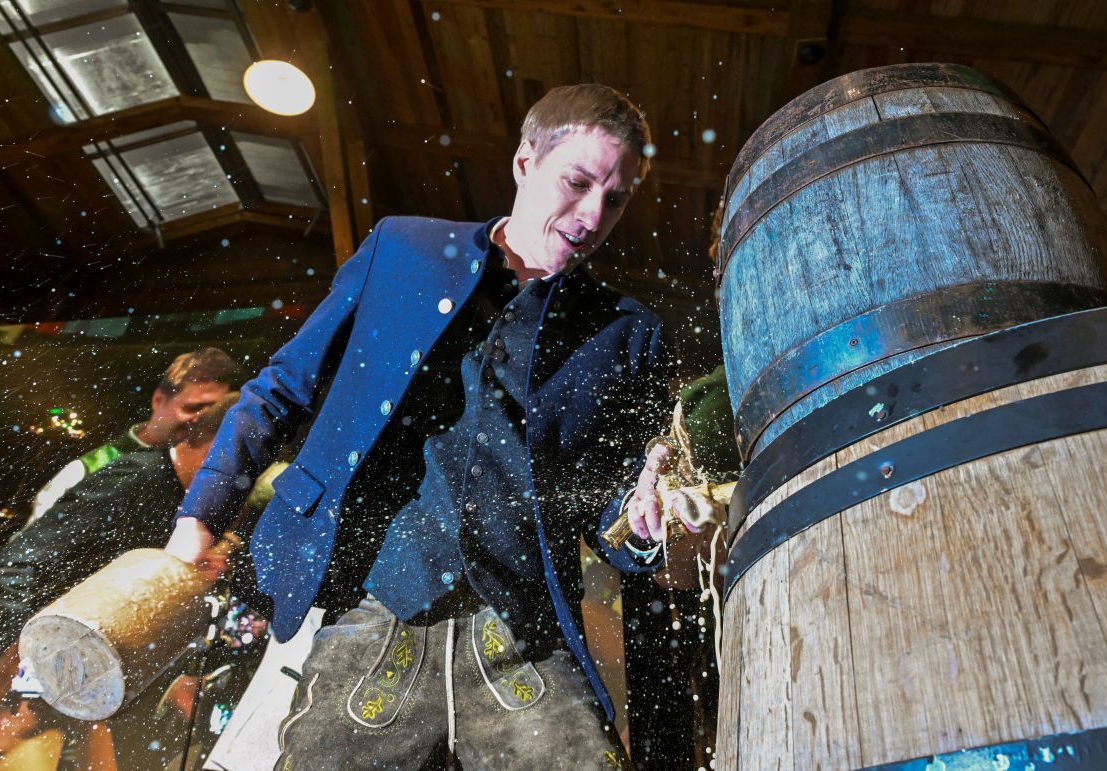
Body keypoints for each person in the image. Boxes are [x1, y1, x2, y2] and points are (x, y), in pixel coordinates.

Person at [167, 83, 716, 768]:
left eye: (615, 198)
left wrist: (643, 522)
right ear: (525, 162)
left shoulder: (626, 333)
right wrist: (200, 519)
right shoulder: (402, 250)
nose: (592, 214)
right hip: (373, 607)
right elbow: (282, 386)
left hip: (522, 630)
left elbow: (612, 504)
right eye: (577, 182)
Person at [0, 393, 241, 708]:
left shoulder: (177, 495)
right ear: (218, 447)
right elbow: (22, 562)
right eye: (243, 459)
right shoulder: (140, 477)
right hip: (17, 664)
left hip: (61, 667)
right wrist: (6, 662)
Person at [27, 347, 243, 525]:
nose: (202, 418)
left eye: (214, 410)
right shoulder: (89, 467)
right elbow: (33, 549)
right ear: (159, 400)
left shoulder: (213, 469)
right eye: (193, 408)